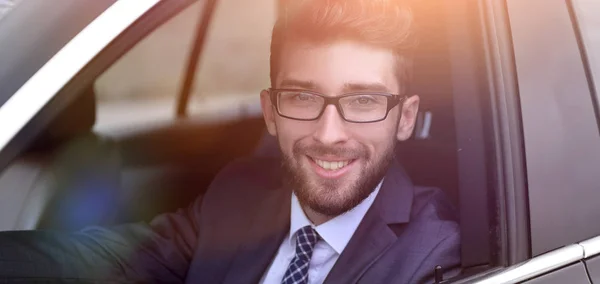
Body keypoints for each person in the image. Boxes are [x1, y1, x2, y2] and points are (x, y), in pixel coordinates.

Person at [0, 0, 460, 283]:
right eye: (301, 96)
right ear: (269, 112)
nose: (328, 134)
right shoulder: (238, 193)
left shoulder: (433, 253)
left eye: (362, 100)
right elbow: (110, 261)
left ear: (405, 117)